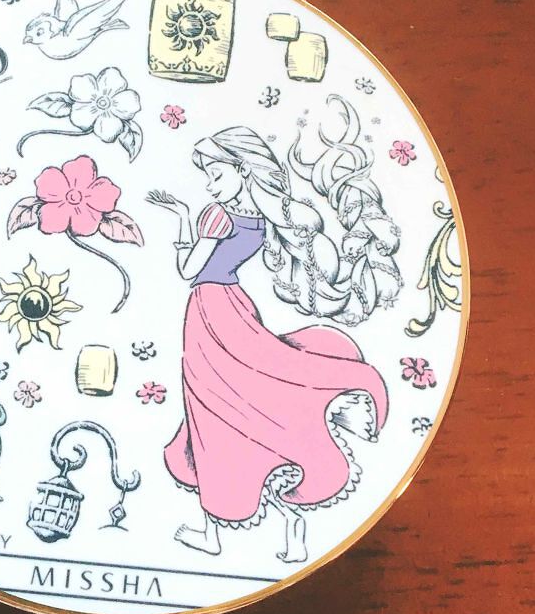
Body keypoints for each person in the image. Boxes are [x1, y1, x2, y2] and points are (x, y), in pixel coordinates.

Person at [146, 102, 400, 562]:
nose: (210, 185)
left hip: (211, 312)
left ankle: (212, 531)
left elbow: (189, 269)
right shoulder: (258, 220)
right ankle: (292, 533)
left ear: (243, 170)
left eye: (216, 174)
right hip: (232, 305)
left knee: (213, 412)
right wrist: (186, 216)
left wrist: (187, 220)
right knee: (245, 407)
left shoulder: (218, 217)